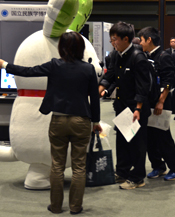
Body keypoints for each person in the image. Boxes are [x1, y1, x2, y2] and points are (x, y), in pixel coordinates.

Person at [0, 31, 102, 214]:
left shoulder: (55, 65)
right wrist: (96, 122)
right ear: (81, 48)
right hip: (81, 121)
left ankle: (55, 206)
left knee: (57, 165)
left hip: (58, 120)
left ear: (62, 48)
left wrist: (4, 65)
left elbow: (28, 71)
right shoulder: (88, 69)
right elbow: (94, 99)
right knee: (79, 166)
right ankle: (75, 206)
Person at [99, 22, 151, 190]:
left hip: (136, 108)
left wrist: (138, 108)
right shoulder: (116, 55)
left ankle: (137, 177)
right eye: (111, 39)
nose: (113, 42)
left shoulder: (138, 57)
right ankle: (122, 171)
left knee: (137, 143)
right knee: (122, 141)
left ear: (126, 39)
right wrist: (101, 88)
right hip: (121, 106)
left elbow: (144, 86)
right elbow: (111, 75)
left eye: (115, 39)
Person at [138, 26, 175, 181]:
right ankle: (158, 166)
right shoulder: (145, 55)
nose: (140, 43)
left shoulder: (164, 56)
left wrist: (161, 101)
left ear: (149, 40)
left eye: (142, 40)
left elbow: (170, 80)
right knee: (150, 137)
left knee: (163, 137)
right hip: (148, 102)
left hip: (161, 104)